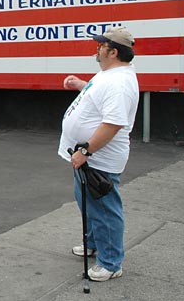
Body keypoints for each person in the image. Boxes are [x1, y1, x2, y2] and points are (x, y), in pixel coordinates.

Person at [58, 26, 139, 282]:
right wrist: (83, 86)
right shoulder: (110, 74)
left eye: (101, 46)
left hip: (97, 160)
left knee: (104, 210)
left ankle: (111, 262)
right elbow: (100, 99)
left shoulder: (119, 83)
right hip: (88, 160)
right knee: (88, 203)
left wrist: (85, 150)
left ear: (113, 51)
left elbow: (112, 124)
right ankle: (94, 244)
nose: (97, 49)